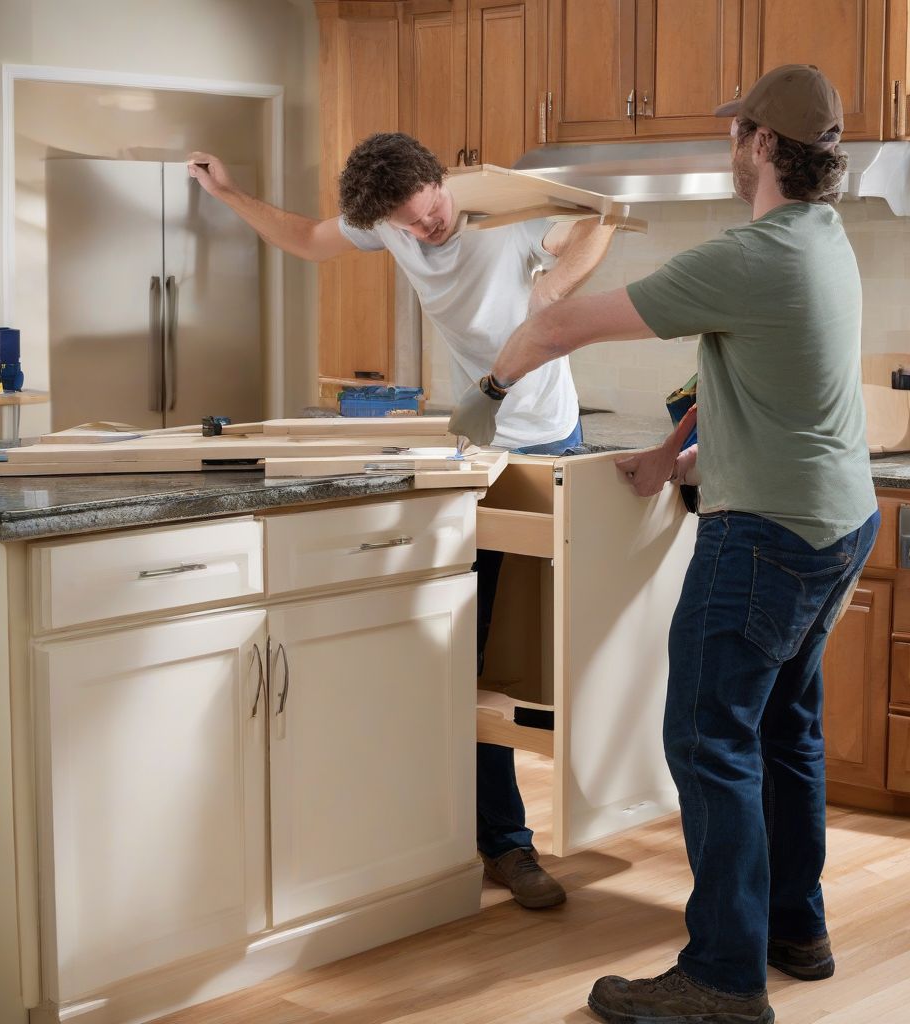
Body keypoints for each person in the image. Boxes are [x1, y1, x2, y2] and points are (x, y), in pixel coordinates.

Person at [450, 65, 880, 1023]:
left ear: (765, 145)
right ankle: (794, 929)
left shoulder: (753, 254)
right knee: (783, 731)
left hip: (767, 532)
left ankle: (724, 977)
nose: (731, 147)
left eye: (739, 134)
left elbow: (558, 323)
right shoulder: (822, 240)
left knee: (708, 739)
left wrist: (482, 401)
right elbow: (734, 369)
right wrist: (667, 451)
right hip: (839, 522)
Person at [188, 132, 617, 910]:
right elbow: (310, 240)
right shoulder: (389, 220)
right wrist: (226, 194)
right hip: (476, 450)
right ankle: (504, 843)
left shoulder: (504, 209)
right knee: (473, 656)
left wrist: (553, 290)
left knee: (561, 653)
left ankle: (600, 815)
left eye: (431, 214)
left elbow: (593, 225)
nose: (427, 232)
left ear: (440, 180)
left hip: (552, 441)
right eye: (410, 227)